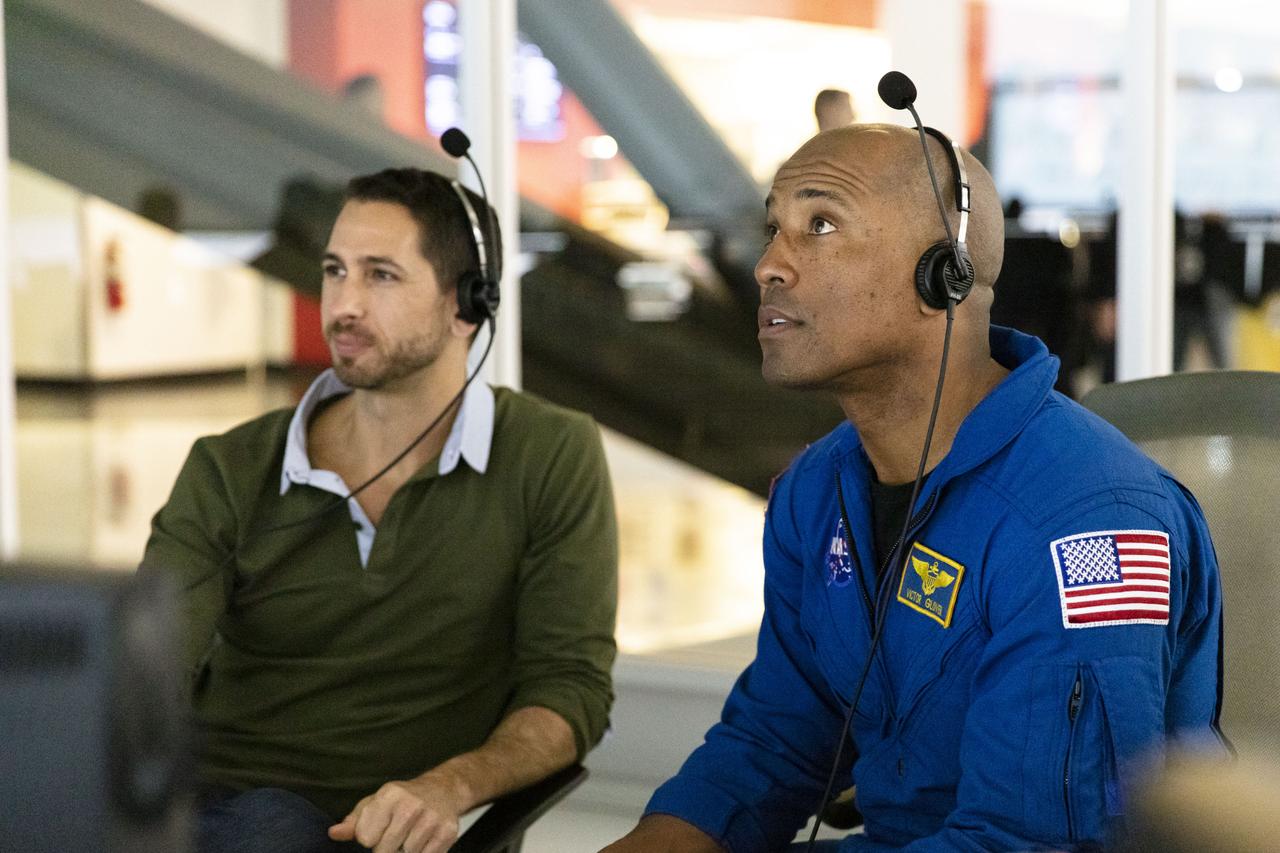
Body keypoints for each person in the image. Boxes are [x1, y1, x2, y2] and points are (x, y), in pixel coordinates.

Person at [602, 124, 1224, 851]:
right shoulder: (817, 491)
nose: (770, 264)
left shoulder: (1086, 523)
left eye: (821, 225)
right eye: (775, 228)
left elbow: (1032, 840)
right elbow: (772, 742)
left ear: (943, 276)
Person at [140, 167, 619, 853]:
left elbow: (569, 688)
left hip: (395, 831)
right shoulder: (231, 465)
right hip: (221, 812)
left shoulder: (548, 454)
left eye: (381, 275)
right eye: (336, 271)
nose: (343, 304)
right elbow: (148, 664)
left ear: (467, 306)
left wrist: (450, 787)